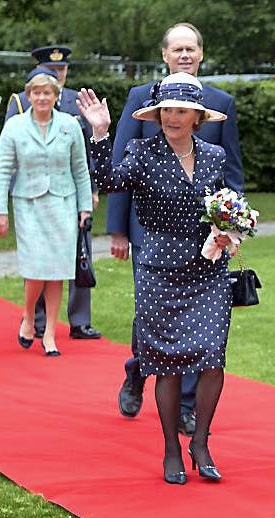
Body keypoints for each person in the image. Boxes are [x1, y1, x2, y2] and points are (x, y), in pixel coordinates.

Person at [78, 73, 235, 485]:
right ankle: (171, 450)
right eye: (166, 110)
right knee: (165, 362)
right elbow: (109, 182)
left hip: (208, 271)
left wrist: (228, 230)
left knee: (212, 357)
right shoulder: (140, 152)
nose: (172, 117)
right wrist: (99, 134)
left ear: (197, 117)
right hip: (159, 271)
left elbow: (223, 205)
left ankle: (200, 442)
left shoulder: (215, 156)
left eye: (181, 110)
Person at [108, 22, 243, 437]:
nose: (184, 55)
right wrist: (117, 230)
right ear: (165, 55)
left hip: (202, 240)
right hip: (150, 234)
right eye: (177, 49)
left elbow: (230, 175)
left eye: (191, 49)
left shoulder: (221, 103)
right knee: (152, 318)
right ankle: (137, 369)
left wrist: (230, 224)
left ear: (201, 54)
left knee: (197, 328)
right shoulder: (141, 99)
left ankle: (186, 406)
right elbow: (119, 168)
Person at [5, 45, 103, 342]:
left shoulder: (77, 101)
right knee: (39, 257)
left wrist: (93, 190)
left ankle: (79, 321)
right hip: (35, 193)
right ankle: (35, 320)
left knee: (80, 253)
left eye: (61, 70)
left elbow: (86, 152)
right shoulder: (21, 102)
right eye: (51, 70)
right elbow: (11, 152)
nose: (57, 75)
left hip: (71, 189)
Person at [0, 69, 92, 357]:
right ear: (29, 95)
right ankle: (27, 316)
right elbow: (2, 172)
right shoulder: (15, 127)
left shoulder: (69, 125)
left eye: (47, 93)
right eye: (36, 92)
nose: (41, 98)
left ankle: (49, 332)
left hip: (63, 202)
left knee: (58, 271)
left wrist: (84, 207)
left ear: (56, 96)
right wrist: (0, 211)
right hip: (28, 203)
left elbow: (80, 170)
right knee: (36, 267)